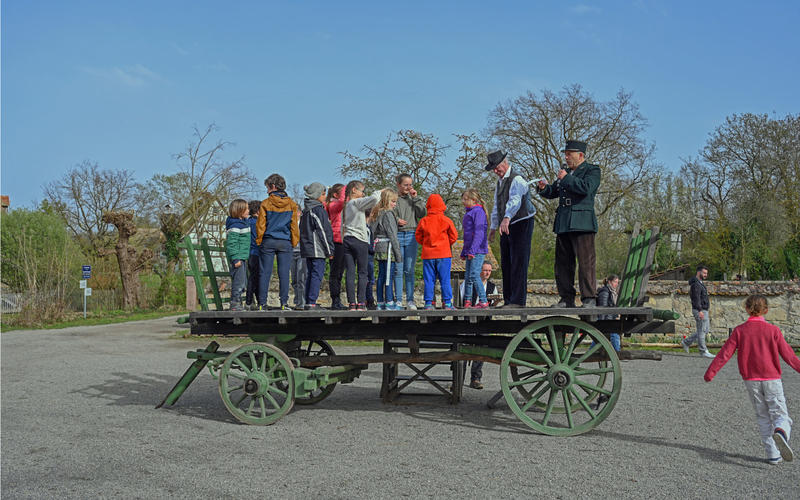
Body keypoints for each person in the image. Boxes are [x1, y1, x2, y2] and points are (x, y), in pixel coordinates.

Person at [704, 294, 800, 464]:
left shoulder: (740, 331)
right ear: (766, 310)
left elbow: (724, 354)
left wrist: (710, 373)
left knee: (762, 416)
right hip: (772, 378)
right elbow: (789, 355)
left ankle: (772, 454)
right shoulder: (773, 331)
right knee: (780, 413)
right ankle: (782, 432)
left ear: (747, 309)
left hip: (751, 379)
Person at [536, 140, 600, 308]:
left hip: (583, 223)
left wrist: (566, 178)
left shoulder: (592, 170)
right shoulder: (566, 174)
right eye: (565, 154)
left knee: (586, 263)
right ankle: (566, 298)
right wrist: (544, 188)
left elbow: (586, 188)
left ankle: (589, 298)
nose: (566, 157)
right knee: (563, 264)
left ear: (580, 155)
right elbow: (554, 192)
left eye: (569, 154)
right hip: (564, 223)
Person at [486, 150, 536, 308]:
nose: (495, 171)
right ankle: (508, 299)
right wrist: (493, 227)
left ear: (504, 163)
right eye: (493, 169)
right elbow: (497, 205)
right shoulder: (500, 182)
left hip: (521, 222)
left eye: (496, 167)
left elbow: (514, 202)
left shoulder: (517, 179)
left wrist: (506, 218)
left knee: (519, 261)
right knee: (506, 261)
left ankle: (518, 300)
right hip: (506, 224)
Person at [255, 173, 300, 310]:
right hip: (285, 241)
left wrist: (259, 241)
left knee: (265, 272)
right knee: (284, 273)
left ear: (273, 187)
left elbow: (261, 225)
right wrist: (293, 242)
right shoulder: (292, 204)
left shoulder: (265, 203)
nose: (267, 191)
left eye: (267, 188)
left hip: (268, 240)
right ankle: (284, 303)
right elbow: (294, 226)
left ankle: (262, 303)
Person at [342, 181, 383, 310]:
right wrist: (380, 191)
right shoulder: (356, 202)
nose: (363, 194)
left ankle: (351, 303)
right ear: (354, 190)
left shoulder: (346, 205)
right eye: (361, 191)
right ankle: (361, 302)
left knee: (350, 272)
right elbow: (374, 199)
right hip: (359, 240)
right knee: (362, 272)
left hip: (347, 239)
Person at [415, 194, 458, 310]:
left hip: (428, 254)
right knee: (445, 279)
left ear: (428, 205)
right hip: (443, 254)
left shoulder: (424, 220)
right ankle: (447, 303)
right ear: (442, 205)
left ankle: (429, 303)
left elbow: (418, 236)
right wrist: (446, 244)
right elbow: (454, 236)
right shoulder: (446, 220)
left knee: (429, 279)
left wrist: (426, 244)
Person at [394, 173, 427, 309]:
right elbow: (387, 213)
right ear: (398, 185)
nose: (408, 187)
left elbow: (422, 213)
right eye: (405, 185)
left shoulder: (413, 198)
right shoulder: (393, 198)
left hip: (411, 234)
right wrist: (396, 220)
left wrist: (416, 199)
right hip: (397, 234)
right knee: (398, 269)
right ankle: (398, 300)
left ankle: (410, 300)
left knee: (409, 269)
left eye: (410, 185)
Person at [299, 182, 334, 310]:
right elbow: (324, 231)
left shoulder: (305, 211)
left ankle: (309, 302)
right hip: (317, 249)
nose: (325, 196)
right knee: (317, 274)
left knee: (311, 274)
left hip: (307, 248)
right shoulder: (318, 210)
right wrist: (330, 250)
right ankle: (311, 302)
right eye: (324, 194)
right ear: (317, 195)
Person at [370, 190, 403, 310]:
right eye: (393, 201)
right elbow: (392, 235)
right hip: (388, 248)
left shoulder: (378, 213)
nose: (395, 204)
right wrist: (398, 253)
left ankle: (380, 301)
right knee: (389, 275)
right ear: (387, 201)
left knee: (382, 275)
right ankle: (389, 301)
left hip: (380, 247)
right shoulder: (388, 214)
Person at [460, 188, 490, 309]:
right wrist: (464, 251)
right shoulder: (468, 213)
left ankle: (483, 300)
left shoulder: (478, 212)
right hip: (470, 249)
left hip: (478, 249)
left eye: (465, 199)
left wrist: (473, 250)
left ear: (473, 200)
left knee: (474, 274)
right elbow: (466, 236)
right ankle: (467, 301)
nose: (463, 201)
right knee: (467, 276)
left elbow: (479, 233)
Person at [682, 265, 714, 358]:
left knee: (705, 330)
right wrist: (700, 310)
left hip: (704, 309)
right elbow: (696, 298)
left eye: (706, 273)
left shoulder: (699, 283)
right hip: (700, 310)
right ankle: (703, 351)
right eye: (704, 273)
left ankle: (686, 342)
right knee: (702, 330)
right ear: (698, 272)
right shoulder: (696, 284)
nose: (705, 275)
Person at [225, 199, 250, 311]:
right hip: (238, 258)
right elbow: (232, 243)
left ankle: (238, 301)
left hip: (243, 257)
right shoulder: (235, 225)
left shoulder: (243, 223)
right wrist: (235, 258)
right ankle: (235, 303)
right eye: (246, 209)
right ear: (240, 211)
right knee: (238, 282)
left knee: (243, 281)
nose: (249, 210)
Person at [326, 183, 347, 310]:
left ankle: (338, 299)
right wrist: (348, 188)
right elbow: (342, 202)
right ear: (335, 194)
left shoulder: (343, 206)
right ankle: (335, 299)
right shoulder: (333, 205)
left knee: (340, 273)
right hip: (336, 240)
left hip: (344, 241)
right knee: (335, 273)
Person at [596, 274, 621, 352]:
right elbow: (603, 309)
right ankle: (617, 352)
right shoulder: (605, 291)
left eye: (617, 282)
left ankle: (591, 352)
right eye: (615, 282)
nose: (616, 284)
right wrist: (603, 324)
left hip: (609, 318)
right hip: (605, 319)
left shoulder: (612, 292)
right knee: (614, 334)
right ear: (609, 282)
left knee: (598, 339)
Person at [245, 199, 262, 310]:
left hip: (250, 253)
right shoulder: (257, 223)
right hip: (256, 252)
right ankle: (249, 301)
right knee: (255, 277)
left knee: (254, 277)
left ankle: (256, 301)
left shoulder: (248, 222)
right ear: (258, 211)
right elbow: (259, 238)